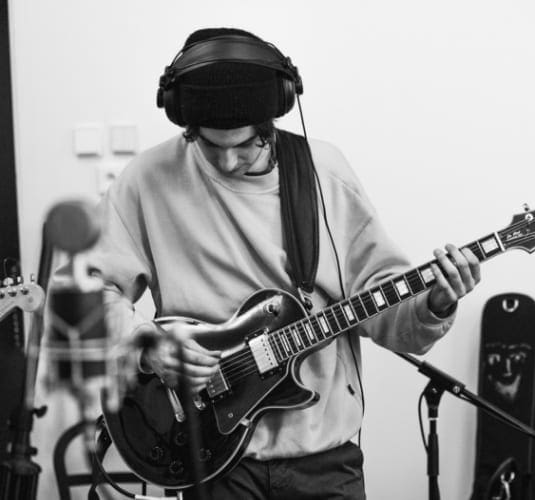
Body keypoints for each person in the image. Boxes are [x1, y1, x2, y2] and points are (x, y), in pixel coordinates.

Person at [89, 27, 481, 499]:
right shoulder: (147, 180)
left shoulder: (323, 171)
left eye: (246, 145)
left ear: (271, 122)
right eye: (211, 147)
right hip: (211, 458)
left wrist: (433, 303)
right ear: (187, 127)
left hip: (323, 458)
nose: (230, 161)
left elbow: (382, 305)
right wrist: (145, 343)